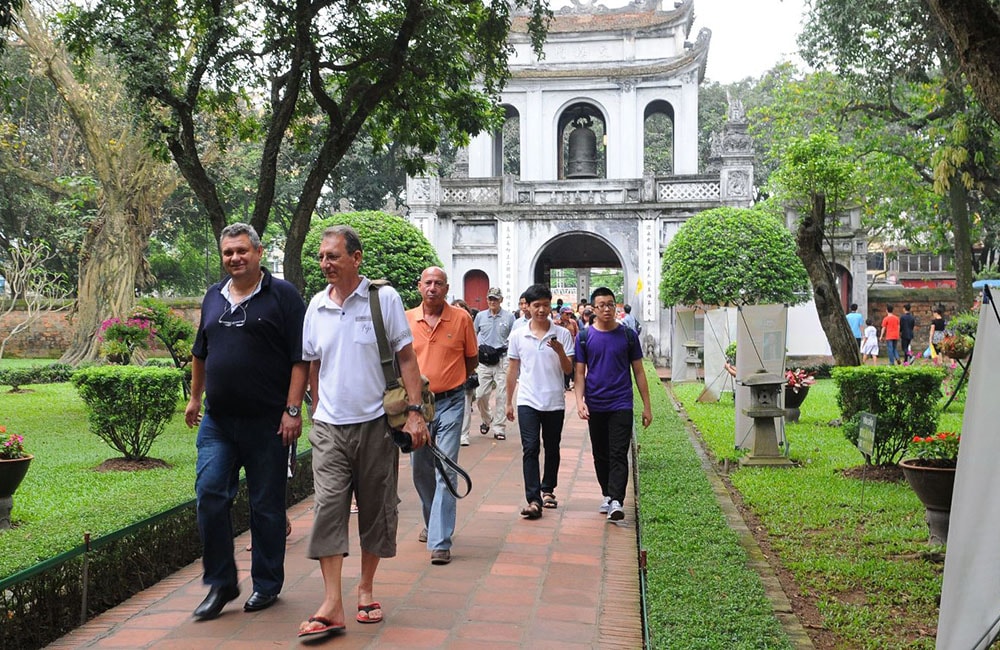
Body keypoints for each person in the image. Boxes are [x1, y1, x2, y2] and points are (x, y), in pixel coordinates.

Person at [298, 225, 430, 637]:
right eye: (322, 257)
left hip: (376, 423)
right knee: (329, 508)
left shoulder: (383, 298)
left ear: (356, 258)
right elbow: (312, 362)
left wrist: (414, 412)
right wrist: (316, 409)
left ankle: (366, 588)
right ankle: (332, 601)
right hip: (329, 428)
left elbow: (407, 358)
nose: (325, 264)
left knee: (376, 508)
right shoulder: (316, 306)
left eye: (333, 256)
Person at [184, 222, 308, 621]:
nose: (234, 258)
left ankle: (267, 584)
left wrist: (292, 410)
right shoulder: (213, 297)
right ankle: (221, 583)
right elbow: (200, 352)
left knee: (266, 506)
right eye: (227, 253)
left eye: (241, 251)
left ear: (258, 252)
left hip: (268, 423)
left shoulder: (283, 296)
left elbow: (300, 357)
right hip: (218, 422)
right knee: (209, 495)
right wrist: (194, 398)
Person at [406, 267, 479, 565]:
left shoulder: (461, 318)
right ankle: (431, 519)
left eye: (439, 283)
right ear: (419, 286)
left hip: (450, 402)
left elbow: (471, 359)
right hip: (416, 406)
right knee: (419, 470)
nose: (433, 288)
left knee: (446, 468)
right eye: (428, 283)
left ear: (447, 288)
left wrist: (453, 380)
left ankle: (440, 539)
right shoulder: (407, 319)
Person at [574, 286, 653, 522]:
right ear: (593, 309)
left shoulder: (628, 335)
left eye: (610, 304)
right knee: (601, 453)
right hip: (596, 402)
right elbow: (579, 373)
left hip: (621, 402)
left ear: (616, 305)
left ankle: (617, 500)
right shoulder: (585, 337)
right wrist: (579, 401)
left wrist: (647, 405)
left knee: (619, 452)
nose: (607, 309)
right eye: (601, 305)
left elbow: (639, 371)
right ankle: (608, 494)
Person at [505, 284, 574, 520]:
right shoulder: (517, 335)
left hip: (554, 400)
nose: (541, 310)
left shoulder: (562, 334)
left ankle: (548, 489)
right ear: (528, 307)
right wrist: (508, 402)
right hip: (527, 400)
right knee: (531, 447)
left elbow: (569, 370)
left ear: (550, 305)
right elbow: (513, 370)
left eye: (545, 305)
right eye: (537, 306)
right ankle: (533, 499)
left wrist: (560, 352)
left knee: (552, 446)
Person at [474, 287, 516, 440]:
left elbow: (513, 338)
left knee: (501, 395)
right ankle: (487, 418)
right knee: (480, 395)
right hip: (484, 361)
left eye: (495, 299)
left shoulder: (509, 317)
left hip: (502, 359)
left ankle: (499, 428)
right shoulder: (480, 316)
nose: (492, 301)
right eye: (490, 298)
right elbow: (473, 334)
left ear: (501, 300)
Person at [451, 299, 479, 447]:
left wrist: (467, 372)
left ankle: (463, 434)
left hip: (465, 373)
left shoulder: (469, 328)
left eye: (461, 309)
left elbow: (473, 355)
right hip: (448, 377)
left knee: (467, 404)